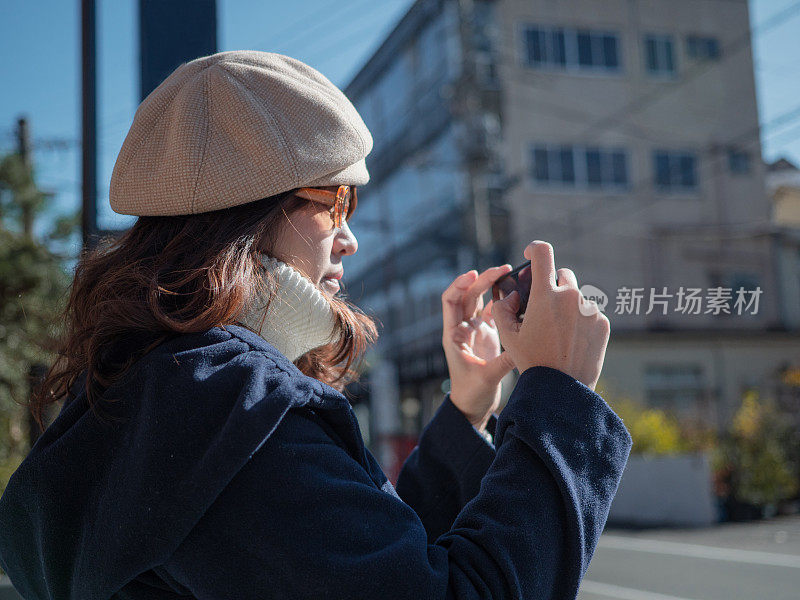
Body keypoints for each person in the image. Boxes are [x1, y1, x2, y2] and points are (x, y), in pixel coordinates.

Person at [0, 50, 631, 599]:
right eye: (337, 200)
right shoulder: (233, 416)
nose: (350, 238)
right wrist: (559, 394)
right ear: (251, 213)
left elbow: (364, 565)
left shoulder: (149, 394)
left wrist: (466, 410)